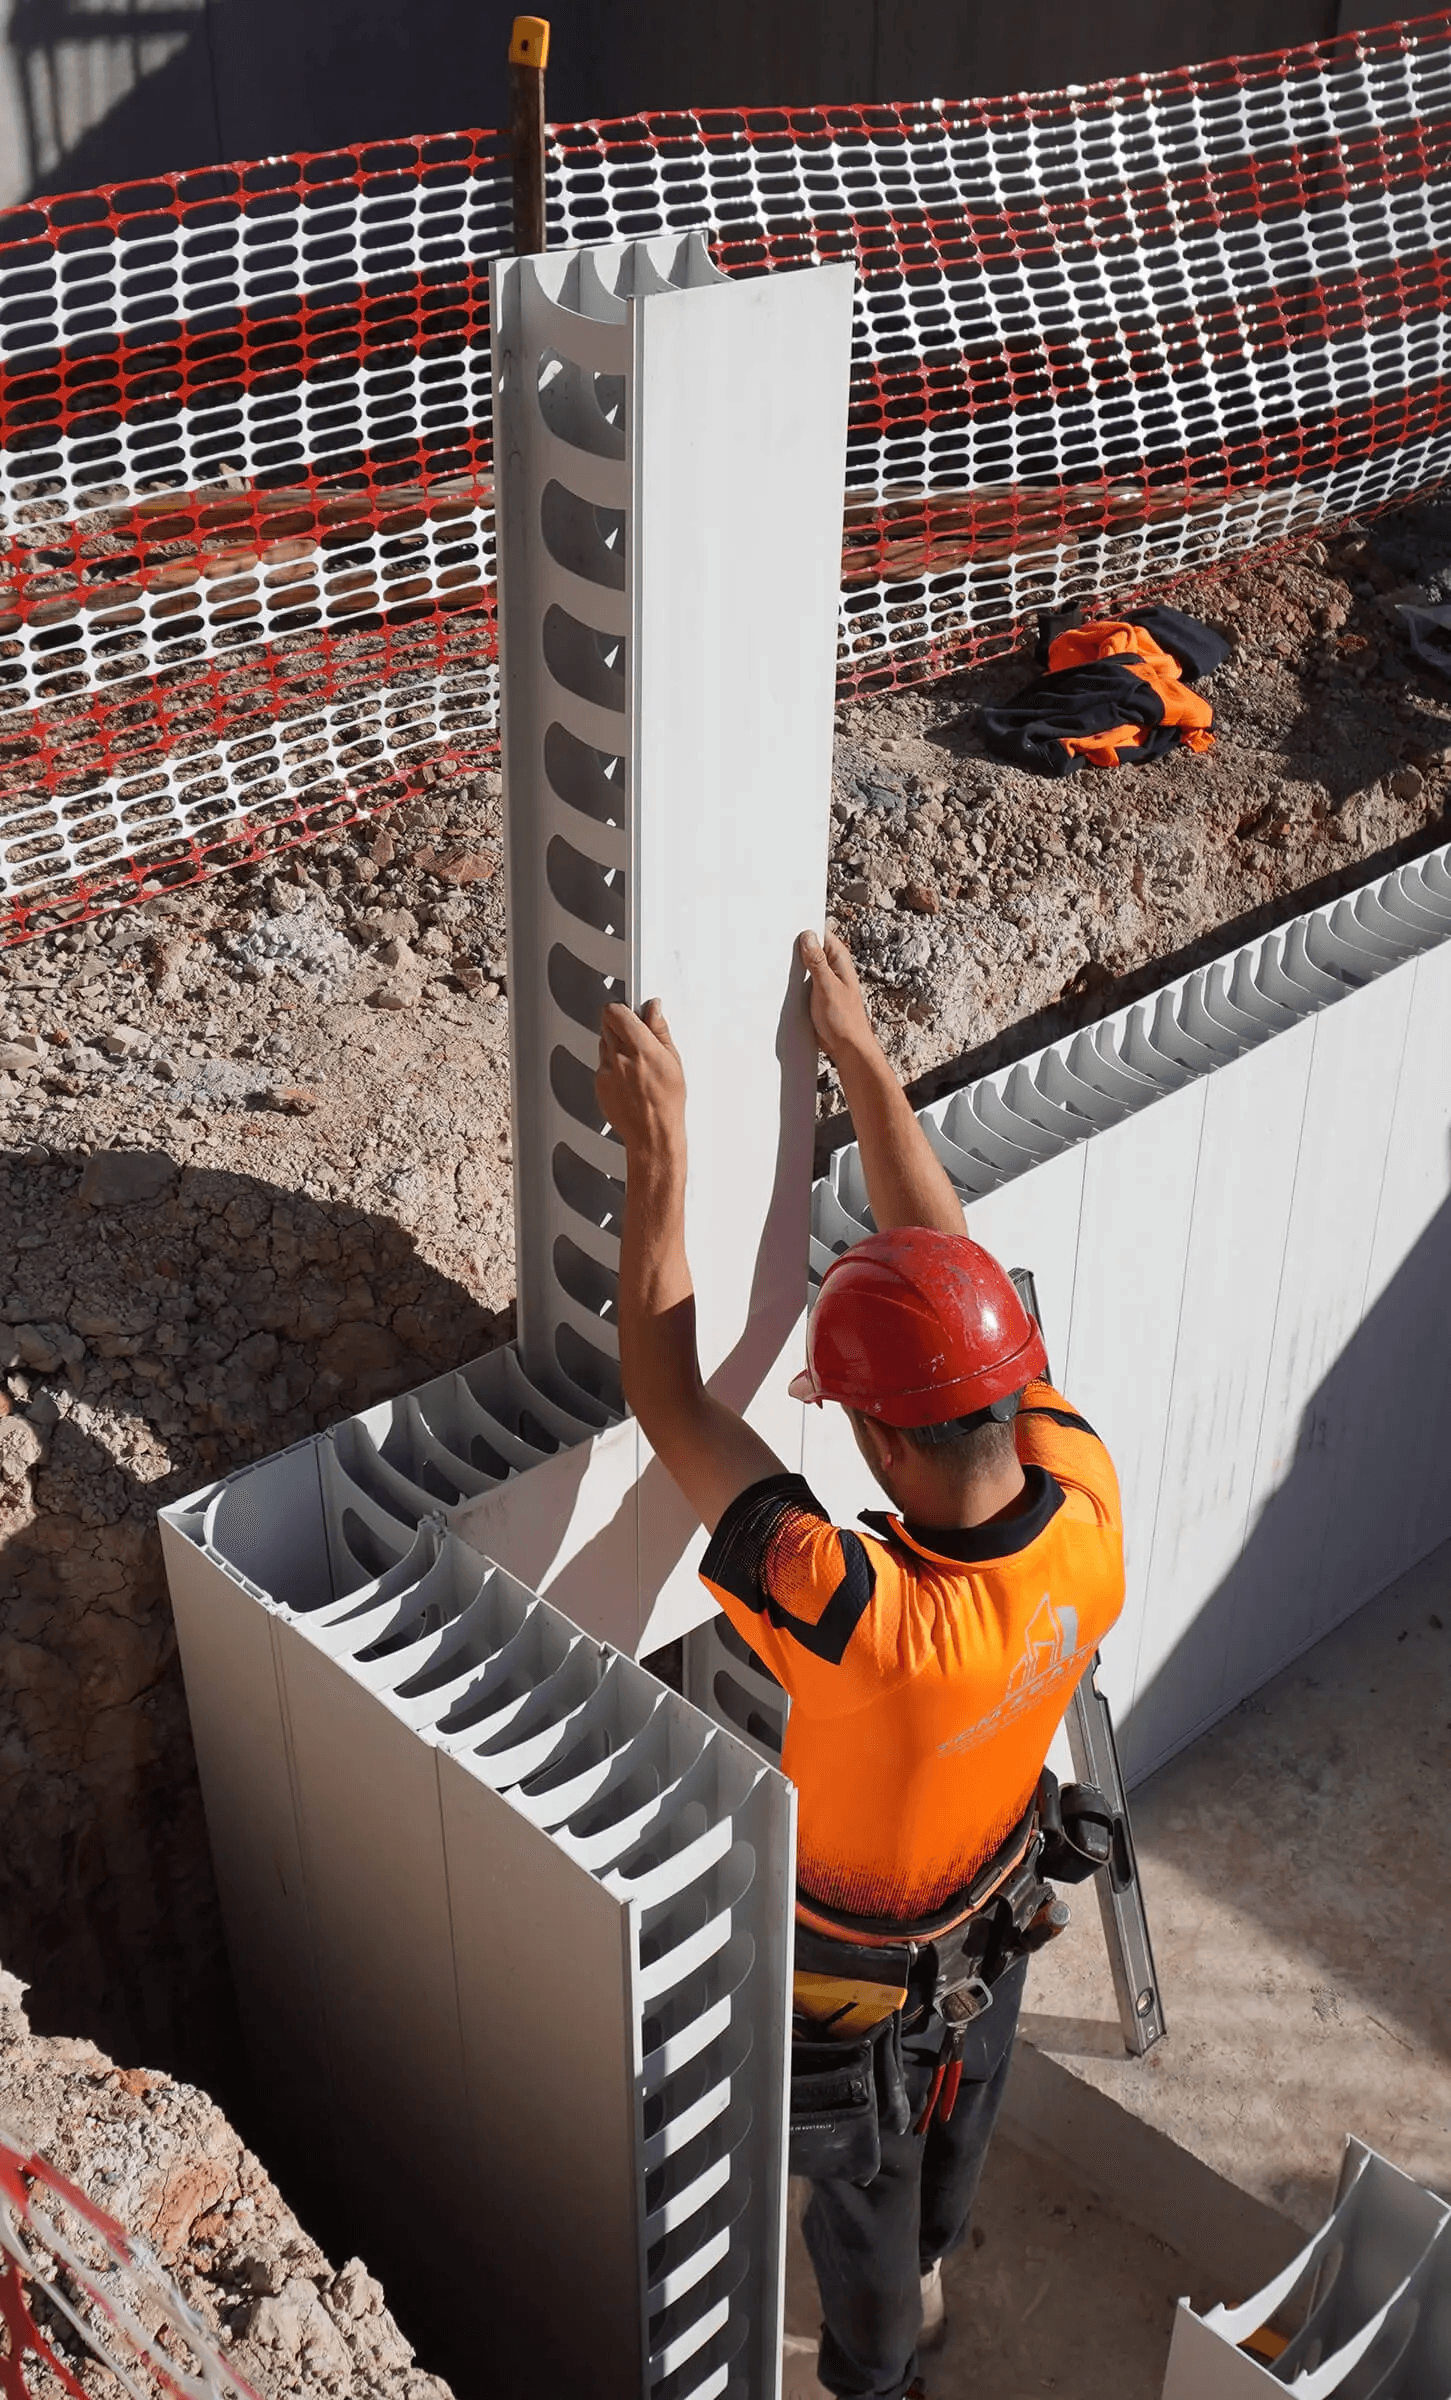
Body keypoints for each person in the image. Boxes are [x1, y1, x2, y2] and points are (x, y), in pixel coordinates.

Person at [596, 928, 1125, 2400]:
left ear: (879, 1445)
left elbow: (667, 1400)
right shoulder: (1085, 1507)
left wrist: (658, 1156)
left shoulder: (864, 1617)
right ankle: (925, 2288)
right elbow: (969, 1301)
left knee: (866, 2220)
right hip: (994, 1925)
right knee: (954, 2147)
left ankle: (874, 2380)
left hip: (854, 1988)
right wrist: (864, 1063)